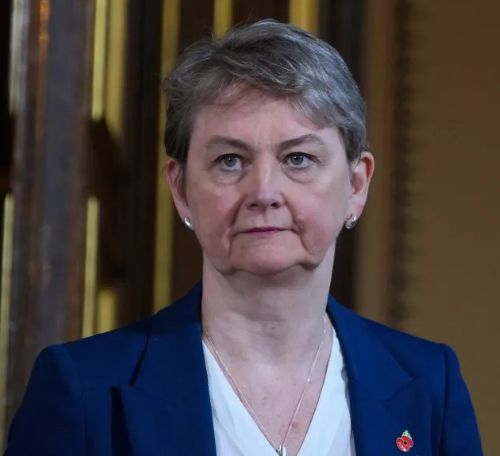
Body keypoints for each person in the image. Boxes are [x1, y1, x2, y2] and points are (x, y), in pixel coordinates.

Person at [6, 19, 482, 456]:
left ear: (356, 186)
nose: (264, 192)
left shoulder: (429, 386)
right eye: (230, 161)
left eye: (298, 159)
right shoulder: (83, 389)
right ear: (181, 190)